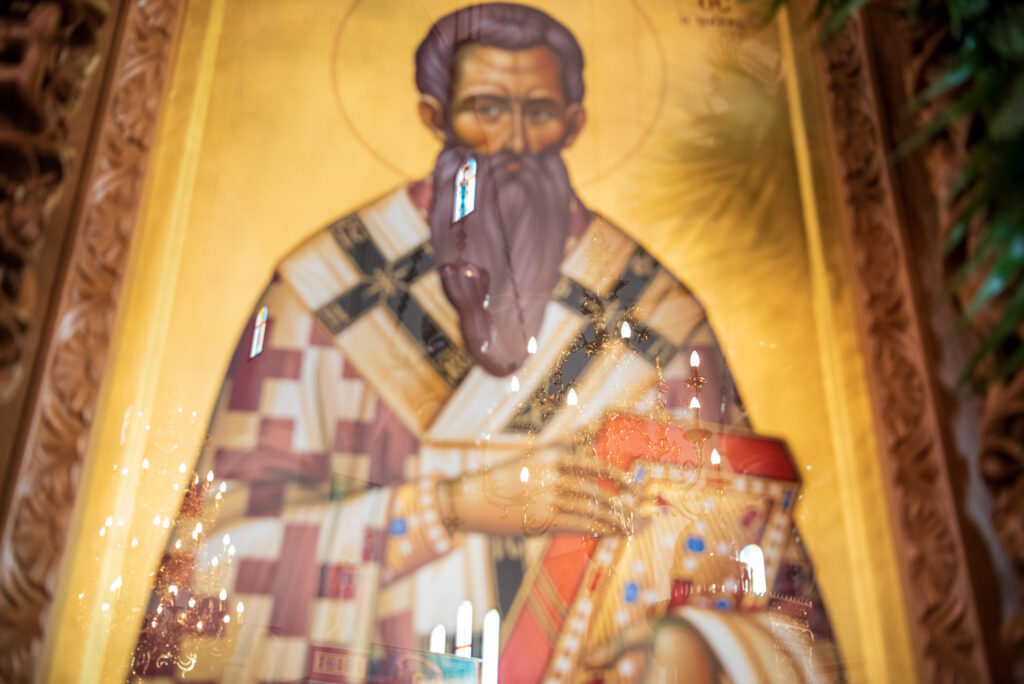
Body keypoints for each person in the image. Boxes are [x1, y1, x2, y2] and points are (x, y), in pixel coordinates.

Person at [131, 4, 837, 682]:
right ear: (435, 118)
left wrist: (680, 648)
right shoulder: (323, 296)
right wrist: (446, 509)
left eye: (538, 112)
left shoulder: (656, 319)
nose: (514, 143)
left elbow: (767, 590)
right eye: (486, 109)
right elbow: (213, 569)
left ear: (573, 123)